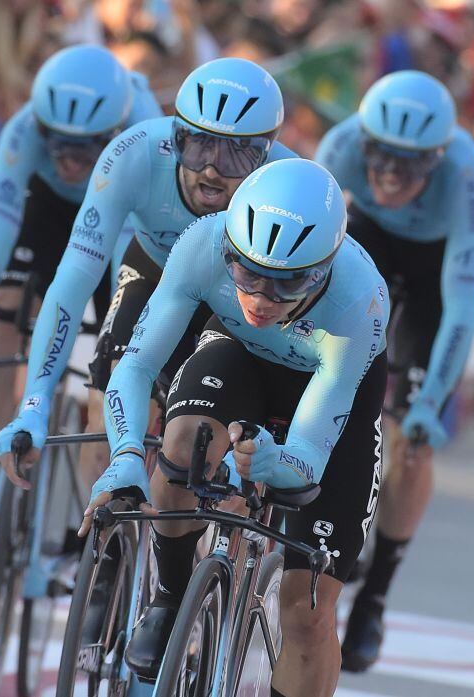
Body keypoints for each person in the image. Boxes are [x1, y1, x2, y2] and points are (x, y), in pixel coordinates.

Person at [77, 158, 390, 696]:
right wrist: (126, 456)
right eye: (248, 274)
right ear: (230, 250)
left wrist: (279, 462)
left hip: (326, 387)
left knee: (308, 610)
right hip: (238, 356)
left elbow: (311, 453)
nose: (263, 298)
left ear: (325, 268)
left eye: (288, 282)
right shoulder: (203, 242)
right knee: (182, 441)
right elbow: (136, 366)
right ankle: (171, 594)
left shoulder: (359, 300)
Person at [0, 57, 295, 510]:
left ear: (265, 155)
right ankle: (101, 541)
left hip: (240, 298)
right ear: (175, 137)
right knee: (110, 385)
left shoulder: (286, 188)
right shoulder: (133, 153)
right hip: (155, 270)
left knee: (210, 445)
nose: (212, 169)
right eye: (198, 146)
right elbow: (72, 283)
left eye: (236, 153)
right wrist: (34, 401)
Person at [0, 44, 162, 578]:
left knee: (115, 361)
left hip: (120, 209)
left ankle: (94, 535)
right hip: (48, 209)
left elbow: (118, 268)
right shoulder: (22, 131)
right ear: (40, 125)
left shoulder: (142, 136)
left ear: (116, 129)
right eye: (60, 145)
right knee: (4, 316)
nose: (72, 161)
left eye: (87, 148)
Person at [313, 69, 474, 673]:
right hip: (366, 241)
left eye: (409, 166)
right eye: (380, 157)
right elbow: (303, 254)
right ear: (363, 141)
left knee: (411, 444)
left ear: (437, 161)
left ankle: (377, 592)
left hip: (435, 268)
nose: (390, 174)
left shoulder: (467, 174)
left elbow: (463, 301)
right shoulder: (338, 147)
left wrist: (431, 400)